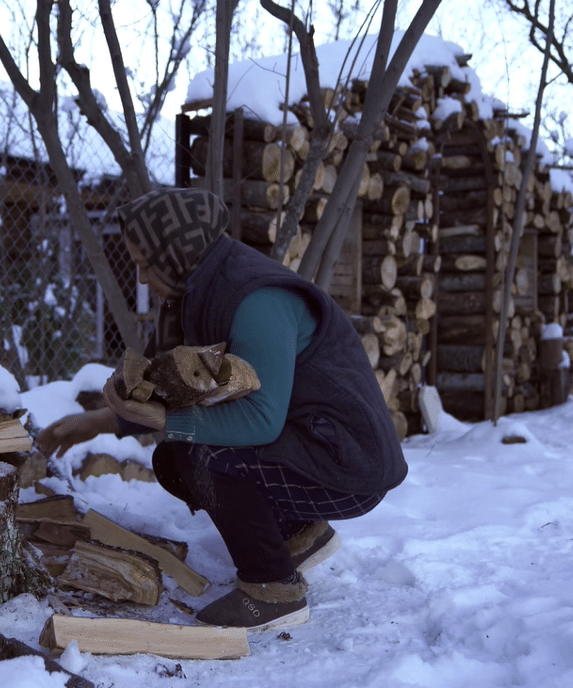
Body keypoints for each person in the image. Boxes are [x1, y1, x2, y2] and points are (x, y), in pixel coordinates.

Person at [37, 187, 406, 631]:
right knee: (179, 454)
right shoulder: (196, 292)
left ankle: (272, 591)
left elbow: (260, 420)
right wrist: (96, 422)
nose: (140, 279)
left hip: (347, 460)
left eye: (145, 264)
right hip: (313, 441)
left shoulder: (256, 301)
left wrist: (168, 422)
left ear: (176, 252)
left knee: (202, 454)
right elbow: (172, 392)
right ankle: (298, 536)